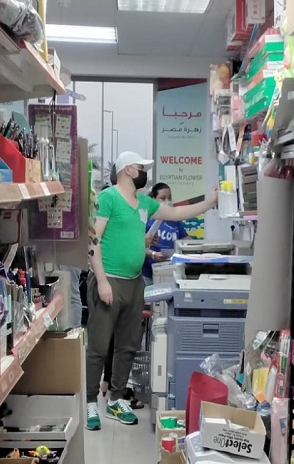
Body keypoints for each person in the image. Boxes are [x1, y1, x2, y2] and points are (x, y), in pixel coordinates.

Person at [86, 151, 217, 429]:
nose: (144, 173)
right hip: (109, 281)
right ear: (128, 170)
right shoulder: (108, 198)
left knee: (127, 346)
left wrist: (209, 203)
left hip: (134, 283)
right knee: (98, 347)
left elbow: (176, 212)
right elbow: (93, 240)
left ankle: (116, 400)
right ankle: (89, 404)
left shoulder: (143, 202)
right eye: (141, 167)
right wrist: (102, 281)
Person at [142, 182, 189, 285]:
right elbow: (137, 247)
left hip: (170, 272)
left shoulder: (175, 220)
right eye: (163, 198)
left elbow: (186, 240)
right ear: (154, 199)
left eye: (169, 198)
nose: (167, 201)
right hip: (148, 274)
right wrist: (153, 254)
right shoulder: (147, 219)